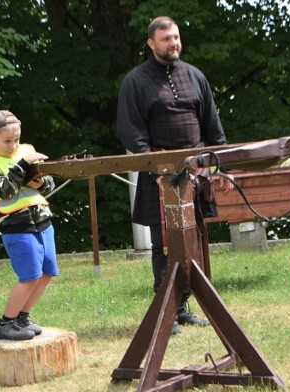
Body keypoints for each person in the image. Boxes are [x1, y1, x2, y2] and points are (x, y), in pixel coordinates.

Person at [117, 16, 233, 335]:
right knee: (164, 245)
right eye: (166, 39)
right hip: (160, 176)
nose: (174, 43)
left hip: (195, 175)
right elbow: (131, 131)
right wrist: (155, 168)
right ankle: (165, 311)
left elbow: (213, 126)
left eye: (176, 37)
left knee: (193, 242)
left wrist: (219, 164)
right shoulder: (136, 81)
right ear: (151, 43)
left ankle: (182, 307)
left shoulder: (195, 76)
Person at [0, 110, 59, 341]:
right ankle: (6, 323)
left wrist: (40, 181)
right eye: (7, 141)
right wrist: (22, 167)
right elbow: (3, 189)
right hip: (15, 224)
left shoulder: (27, 152)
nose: (13, 146)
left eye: (17, 140)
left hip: (42, 219)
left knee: (47, 272)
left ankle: (23, 317)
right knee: (30, 275)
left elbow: (48, 184)